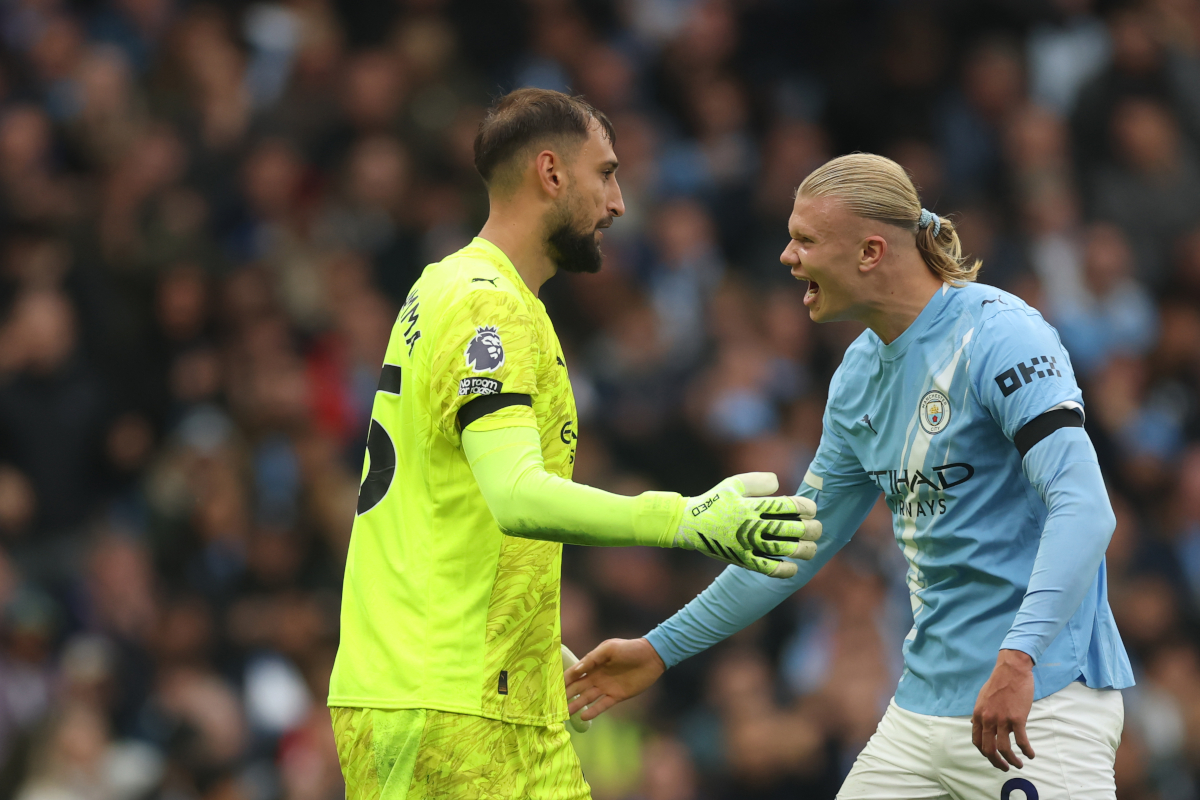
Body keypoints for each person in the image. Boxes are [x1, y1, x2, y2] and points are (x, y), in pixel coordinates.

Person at [565, 154, 1134, 799]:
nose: (786, 256)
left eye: (805, 239)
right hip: (923, 712)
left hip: (1041, 699)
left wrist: (1019, 657)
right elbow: (791, 548)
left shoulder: (1003, 336)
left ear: (869, 251)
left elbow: (1086, 509)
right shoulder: (859, 376)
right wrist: (660, 648)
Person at [326, 88, 821, 800]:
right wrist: (686, 520)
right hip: (447, 704)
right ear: (551, 174)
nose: (618, 202)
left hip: (488, 694)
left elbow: (441, 499)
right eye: (607, 173)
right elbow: (515, 494)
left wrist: (528, 643)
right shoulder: (485, 306)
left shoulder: (451, 288)